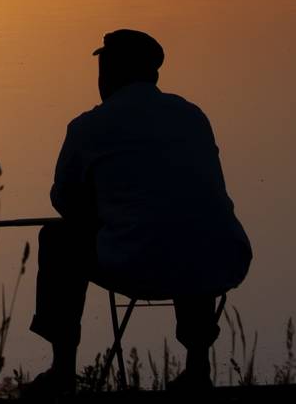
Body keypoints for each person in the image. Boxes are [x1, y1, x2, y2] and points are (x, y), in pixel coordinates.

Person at [25, 29, 252, 395]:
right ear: (154, 75)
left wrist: (101, 213)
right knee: (192, 230)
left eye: (102, 70)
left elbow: (64, 202)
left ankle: (62, 372)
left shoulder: (88, 127)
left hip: (138, 264)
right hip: (220, 260)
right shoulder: (193, 117)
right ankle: (197, 368)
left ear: (110, 75)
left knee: (57, 238)